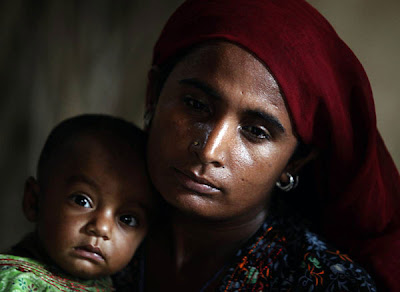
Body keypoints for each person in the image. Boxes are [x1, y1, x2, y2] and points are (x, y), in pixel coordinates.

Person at [113, 0, 400, 291]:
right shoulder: (81, 216)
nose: (209, 150)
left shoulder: (325, 284)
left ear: (295, 161)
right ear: (154, 94)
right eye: (196, 105)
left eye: (255, 131)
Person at [0, 114, 155, 292]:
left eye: (128, 220)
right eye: (82, 201)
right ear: (33, 201)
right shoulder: (14, 281)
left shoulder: (120, 284)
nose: (102, 228)